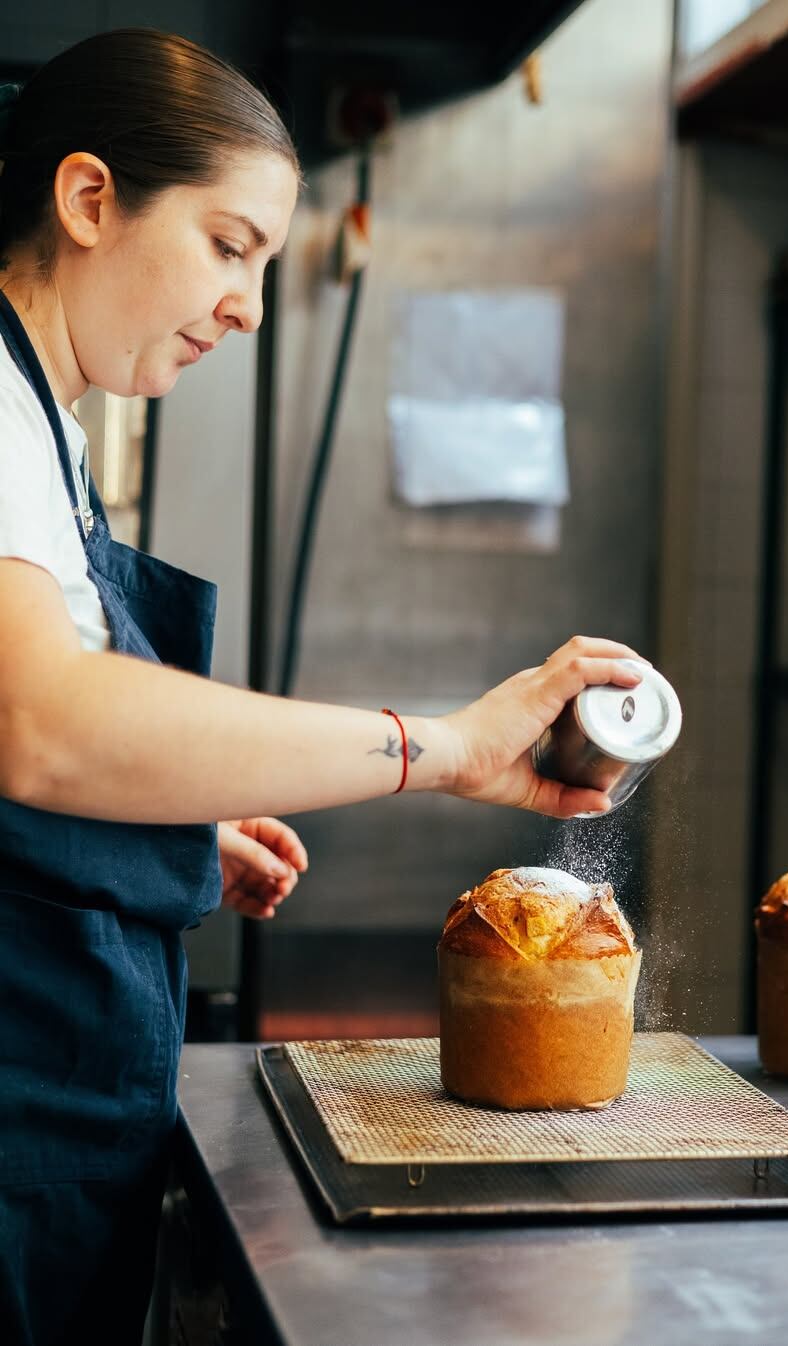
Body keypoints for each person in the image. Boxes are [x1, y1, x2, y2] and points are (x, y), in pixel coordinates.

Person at [0, 28, 645, 1345]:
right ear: (87, 199)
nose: (244, 306)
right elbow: (42, 723)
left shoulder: (47, 425)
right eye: (230, 246)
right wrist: (449, 747)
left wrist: (166, 825)